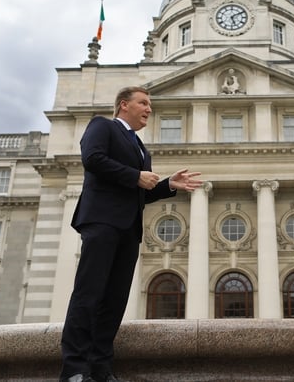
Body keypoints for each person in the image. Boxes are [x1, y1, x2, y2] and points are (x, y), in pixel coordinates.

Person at [59, 86, 203, 382]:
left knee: (114, 301)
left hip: (128, 229)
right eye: (143, 103)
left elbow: (140, 195)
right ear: (124, 105)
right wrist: (136, 176)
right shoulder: (103, 126)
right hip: (101, 221)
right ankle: (74, 368)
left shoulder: (140, 148)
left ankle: (100, 367)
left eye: (149, 104)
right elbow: (93, 159)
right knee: (89, 294)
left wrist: (167, 185)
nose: (149, 109)